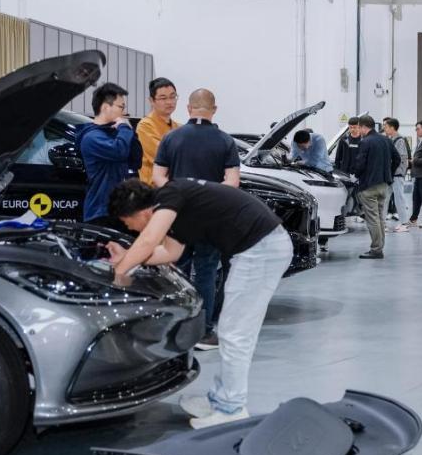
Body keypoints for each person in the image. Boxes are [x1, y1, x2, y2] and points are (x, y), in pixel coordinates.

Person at [107, 178, 292, 429]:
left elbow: (149, 241)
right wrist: (126, 258)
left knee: (235, 334)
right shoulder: (173, 206)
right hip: (259, 248)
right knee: (232, 331)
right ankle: (221, 400)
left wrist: (120, 273)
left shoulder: (169, 196)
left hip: (261, 249)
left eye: (127, 223)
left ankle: (231, 408)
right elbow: (170, 253)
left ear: (141, 213)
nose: (129, 229)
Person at [151, 88, 241, 350]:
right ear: (214, 110)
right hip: (210, 217)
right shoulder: (225, 141)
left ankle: (177, 328)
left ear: (189, 108)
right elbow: (232, 181)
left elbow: (158, 177)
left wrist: (180, 195)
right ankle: (204, 332)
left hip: (177, 214)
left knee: (176, 269)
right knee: (206, 271)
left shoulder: (171, 138)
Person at [75, 82, 142, 223]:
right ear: (105, 107)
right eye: (121, 107)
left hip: (120, 209)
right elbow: (119, 151)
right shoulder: (91, 137)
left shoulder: (116, 132)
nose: (123, 112)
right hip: (100, 211)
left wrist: (129, 132)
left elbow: (136, 160)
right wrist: (124, 128)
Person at [353, 115, 396, 259]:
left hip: (369, 186)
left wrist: (356, 175)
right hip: (383, 185)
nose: (359, 131)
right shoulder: (386, 140)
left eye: (359, 128)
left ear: (363, 127)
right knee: (380, 218)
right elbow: (397, 159)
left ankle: (376, 250)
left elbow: (360, 164)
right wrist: (388, 174)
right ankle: (379, 247)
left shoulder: (365, 142)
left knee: (372, 219)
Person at [135, 77, 180, 185]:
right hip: (153, 188)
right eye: (163, 98)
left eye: (173, 97)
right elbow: (161, 156)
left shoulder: (178, 127)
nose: (169, 102)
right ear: (151, 101)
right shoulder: (145, 126)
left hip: (174, 186)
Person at [383, 117, 412, 233]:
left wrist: (395, 171)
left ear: (392, 127)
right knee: (385, 198)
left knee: (399, 198)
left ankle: (404, 223)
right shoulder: (391, 139)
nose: (384, 128)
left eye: (386, 126)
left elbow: (401, 159)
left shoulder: (399, 140)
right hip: (391, 174)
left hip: (397, 174)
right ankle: (382, 223)